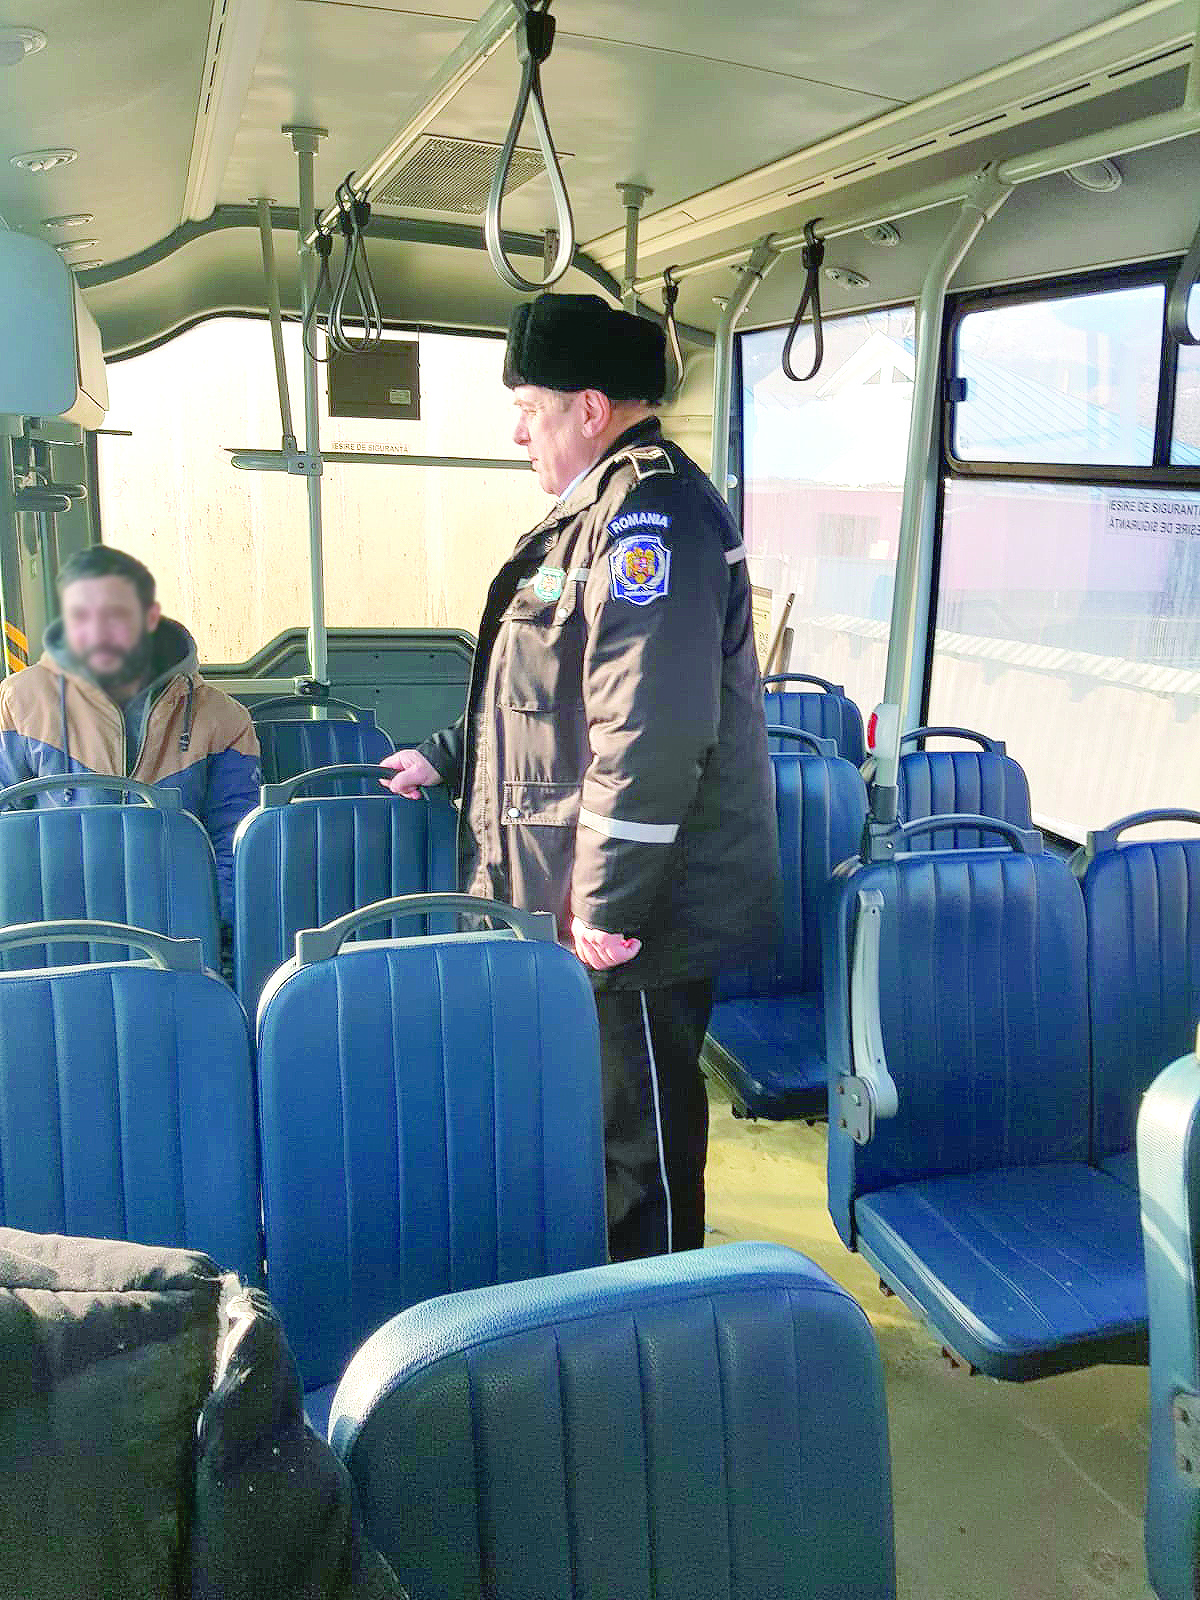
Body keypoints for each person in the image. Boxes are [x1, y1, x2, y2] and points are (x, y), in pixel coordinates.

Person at [382, 292, 780, 1261]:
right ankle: (601, 1297)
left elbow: (650, 726)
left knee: (638, 1142)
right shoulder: (593, 516)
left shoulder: (652, 518)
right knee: (591, 1123)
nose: (517, 430)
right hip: (579, 891)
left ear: (591, 409)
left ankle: (658, 1310)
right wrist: (447, 753)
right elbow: (553, 691)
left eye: (530, 407)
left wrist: (607, 903)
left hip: (631, 912)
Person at [0, 546, 260, 924]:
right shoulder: (19, 699)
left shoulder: (223, 717)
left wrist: (212, 924)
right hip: (56, 919)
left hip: (176, 918)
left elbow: (235, 837)